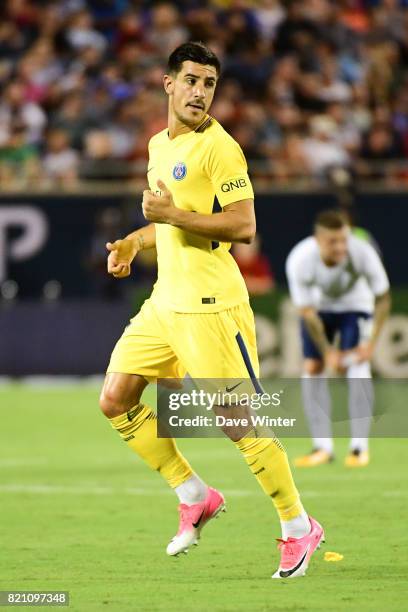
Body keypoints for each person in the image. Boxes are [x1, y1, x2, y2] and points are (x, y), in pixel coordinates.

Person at [99, 42, 323, 579]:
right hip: (165, 303)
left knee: (236, 422)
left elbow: (243, 227)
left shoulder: (221, 149)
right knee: (115, 399)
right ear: (168, 83)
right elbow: (171, 221)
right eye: (192, 80)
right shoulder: (158, 145)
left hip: (211, 305)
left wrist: (172, 213)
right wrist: (135, 240)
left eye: (210, 84)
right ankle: (194, 493)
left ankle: (299, 527)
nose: (201, 92)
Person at [286, 210, 391, 468]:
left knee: (357, 366)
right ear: (318, 240)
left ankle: (358, 448)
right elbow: (307, 313)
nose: (341, 246)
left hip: (356, 307)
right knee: (312, 367)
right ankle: (322, 447)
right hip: (320, 310)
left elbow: (383, 298)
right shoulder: (299, 259)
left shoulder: (363, 252)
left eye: (344, 239)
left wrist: (371, 344)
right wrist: (327, 351)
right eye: (334, 241)